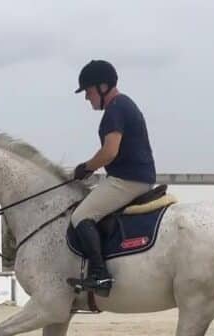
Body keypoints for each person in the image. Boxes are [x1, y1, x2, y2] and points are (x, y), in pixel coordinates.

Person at [70, 60, 157, 296]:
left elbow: (110, 152)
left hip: (127, 179)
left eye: (88, 91)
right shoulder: (124, 104)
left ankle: (100, 275)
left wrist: (86, 168)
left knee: (81, 215)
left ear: (103, 86)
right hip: (136, 176)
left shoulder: (115, 110)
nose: (87, 98)